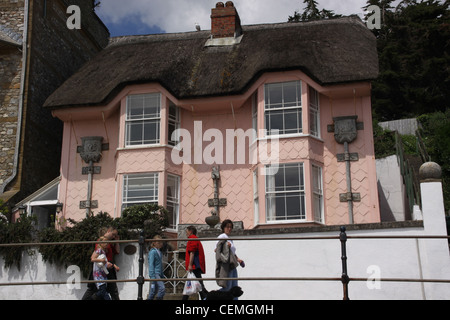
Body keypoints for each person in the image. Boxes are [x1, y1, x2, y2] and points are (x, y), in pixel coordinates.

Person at [81, 226, 120, 300]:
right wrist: (104, 262)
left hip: (106, 269)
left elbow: (117, 252)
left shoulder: (109, 243)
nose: (114, 237)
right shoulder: (101, 242)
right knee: (99, 289)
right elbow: (95, 257)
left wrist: (117, 241)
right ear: (108, 231)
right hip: (101, 269)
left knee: (107, 290)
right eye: (113, 234)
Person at [215, 219, 244, 300]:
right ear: (223, 228)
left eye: (231, 227)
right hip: (226, 265)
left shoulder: (229, 238)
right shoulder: (222, 236)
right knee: (227, 288)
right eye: (227, 227)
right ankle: (213, 296)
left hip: (233, 264)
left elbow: (232, 252)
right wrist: (226, 246)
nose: (229, 229)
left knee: (235, 287)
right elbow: (216, 249)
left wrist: (238, 259)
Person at [182, 226, 207, 300]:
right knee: (199, 284)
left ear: (190, 231)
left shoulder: (192, 239)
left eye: (187, 231)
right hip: (196, 265)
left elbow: (192, 252)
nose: (186, 233)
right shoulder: (196, 239)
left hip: (194, 266)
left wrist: (190, 264)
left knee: (200, 285)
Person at [148, 235, 166, 300]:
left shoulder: (159, 252)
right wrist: (152, 276)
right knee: (162, 288)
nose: (161, 244)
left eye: (161, 242)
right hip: (155, 274)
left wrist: (162, 274)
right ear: (154, 243)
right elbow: (151, 264)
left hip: (159, 274)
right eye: (159, 243)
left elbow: (160, 265)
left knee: (154, 291)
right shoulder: (152, 252)